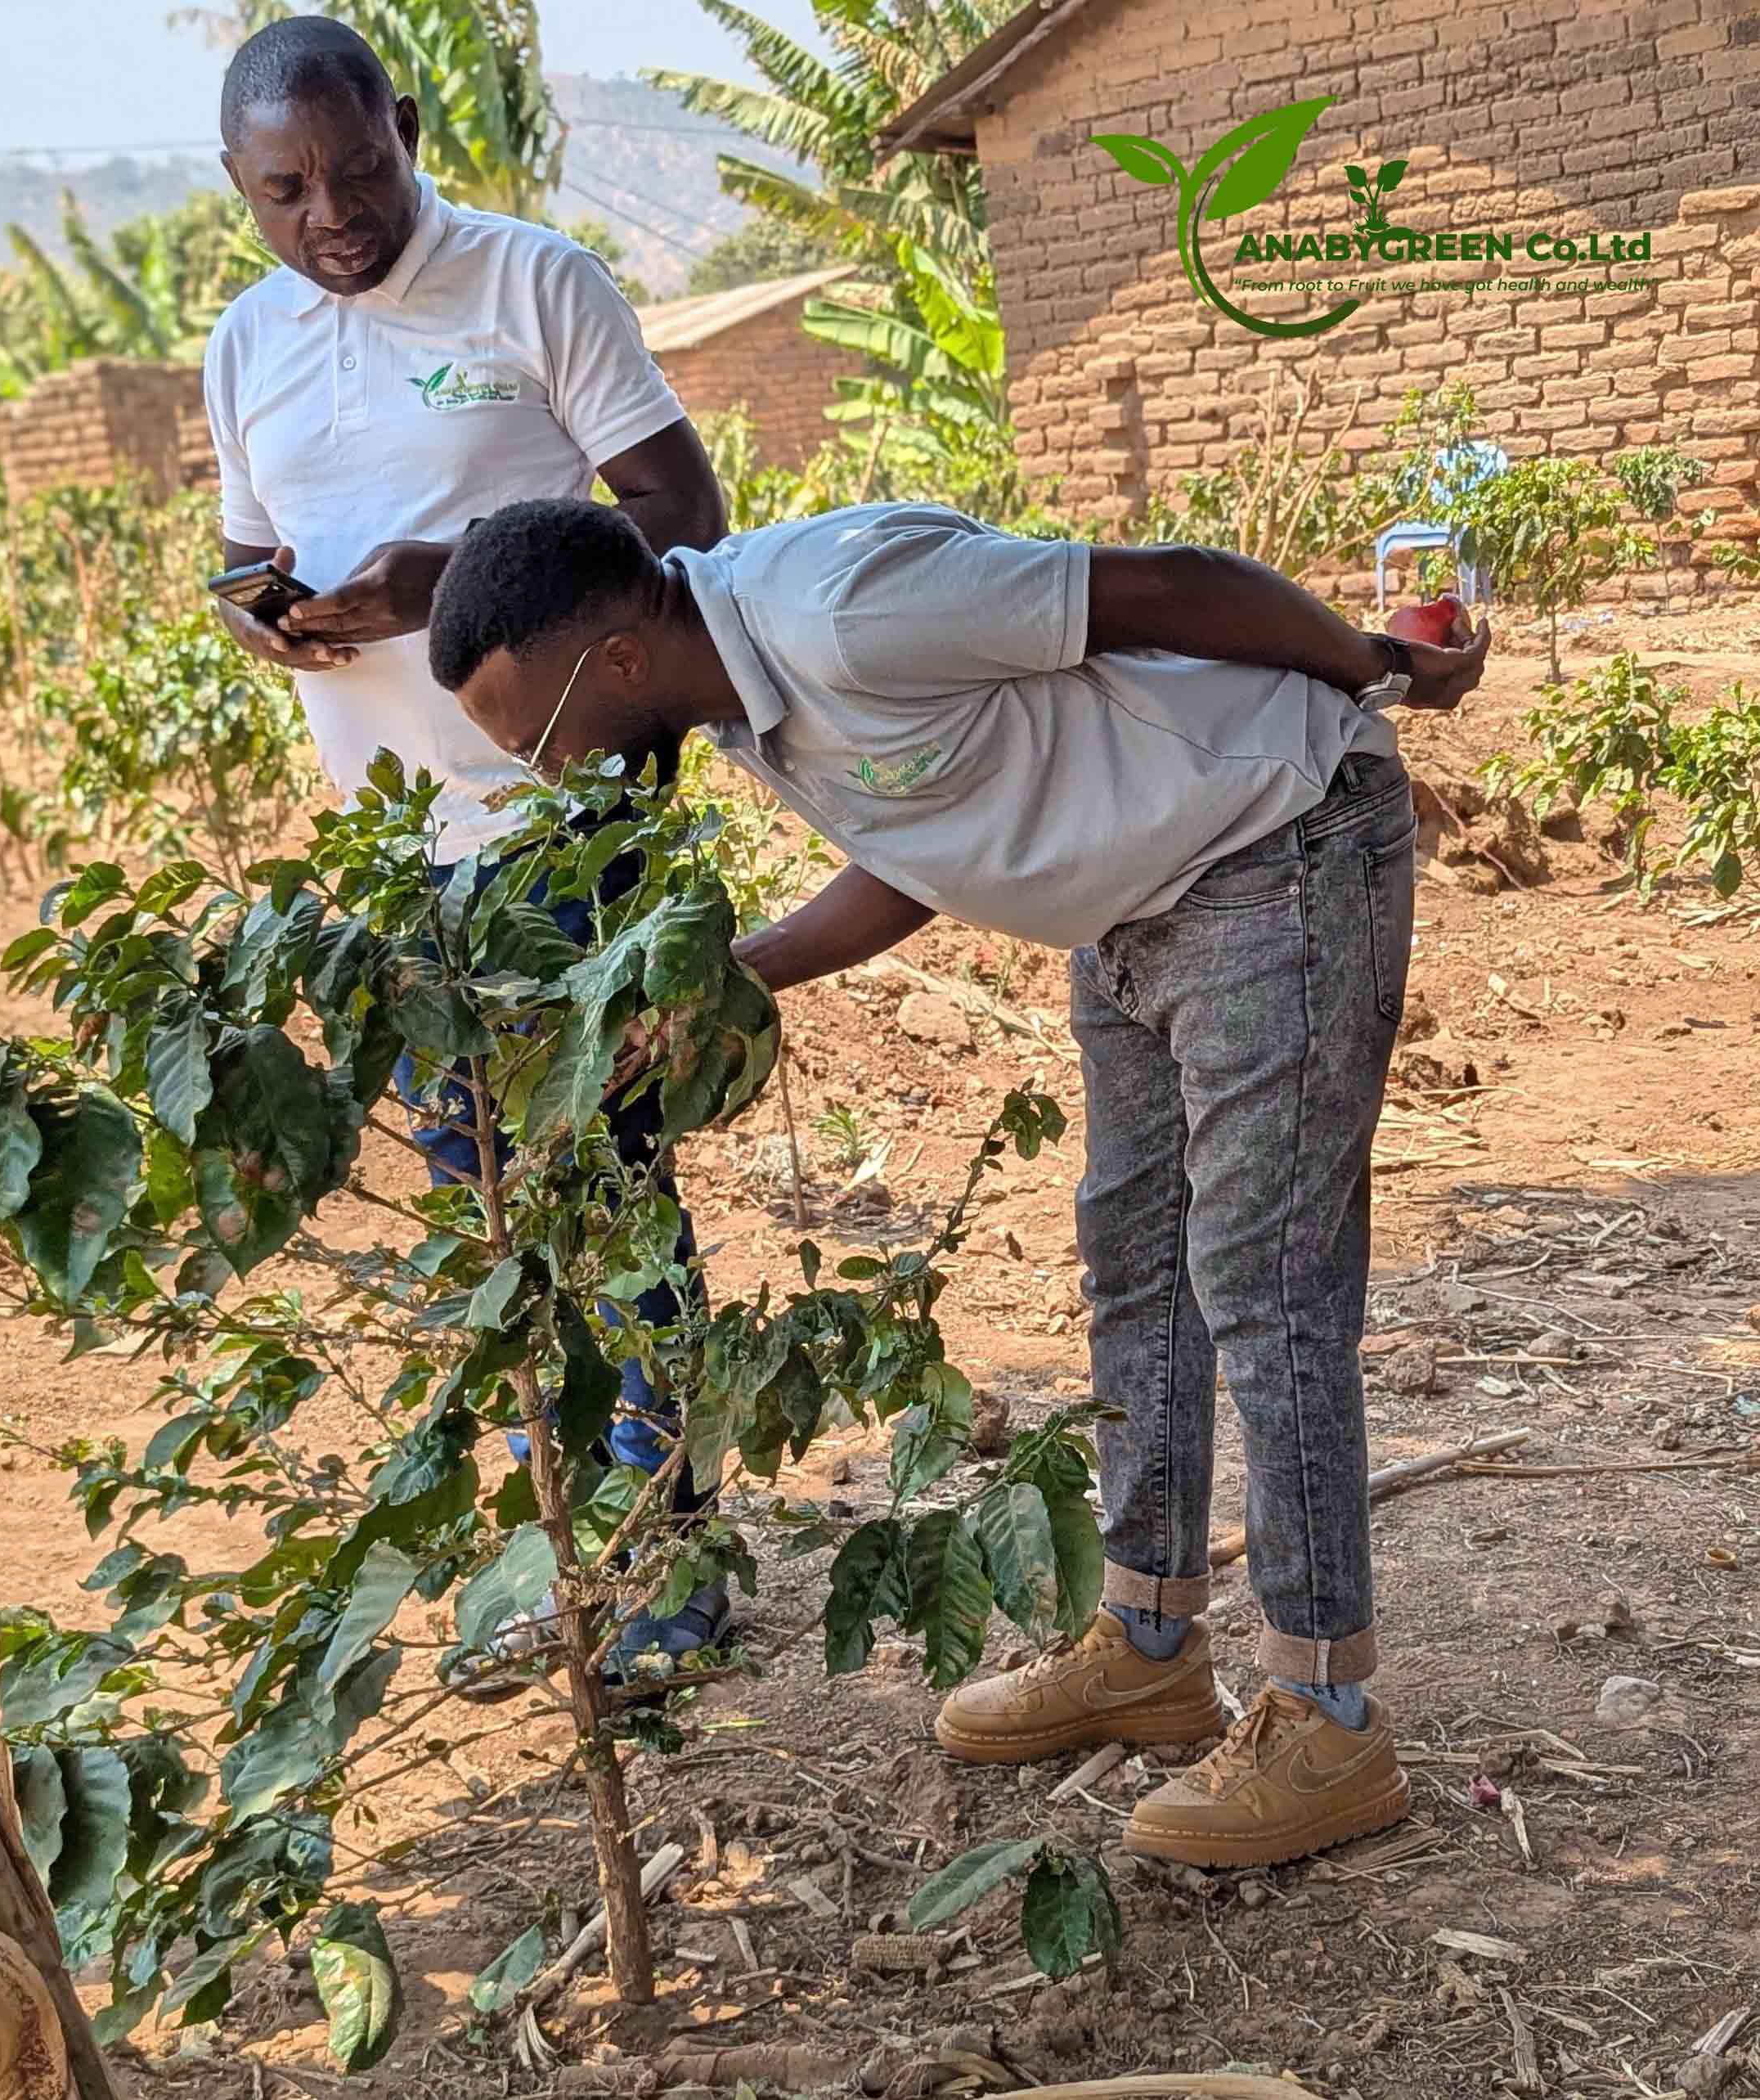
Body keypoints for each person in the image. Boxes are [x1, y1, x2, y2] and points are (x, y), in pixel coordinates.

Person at [421, 495, 1492, 1870]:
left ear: (619, 662)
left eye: (542, 737)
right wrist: (730, 979)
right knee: (1136, 1263)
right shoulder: (736, 699)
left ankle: (1325, 1711)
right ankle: (1151, 1637)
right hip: (1134, 903)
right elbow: (916, 842)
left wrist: (1378, 667)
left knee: (1263, 1278)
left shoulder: (844, 608)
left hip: (1274, 839)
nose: (558, 775)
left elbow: (1167, 583)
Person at [204, 16, 732, 1672]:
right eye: (287, 189)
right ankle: (555, 1564)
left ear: (407, 127)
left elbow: (685, 522)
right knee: (484, 1214)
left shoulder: (533, 284)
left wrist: (459, 577)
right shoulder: (247, 344)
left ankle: (672, 1572)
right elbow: (243, 550)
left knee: (608, 1188)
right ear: (243, 187)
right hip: (393, 858)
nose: (334, 215)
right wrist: (258, 615)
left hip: (567, 827)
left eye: (360, 170)